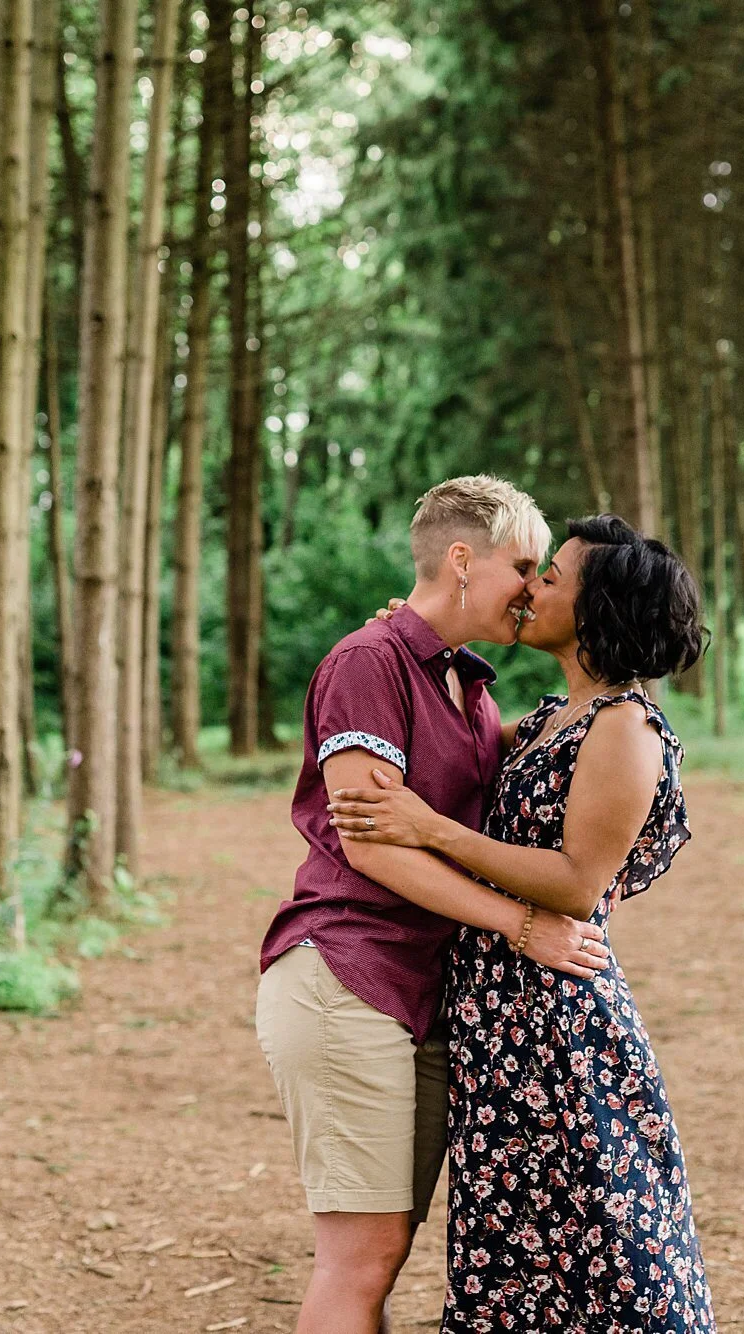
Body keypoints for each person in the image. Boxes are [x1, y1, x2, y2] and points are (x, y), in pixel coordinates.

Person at [329, 515, 716, 1332]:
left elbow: (578, 883)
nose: (533, 586)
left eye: (555, 577)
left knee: (601, 1246)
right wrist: (399, 650)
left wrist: (430, 830)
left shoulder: (624, 728)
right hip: (498, 1014)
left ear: (599, 607)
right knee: (521, 1251)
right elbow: (446, 755)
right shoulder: (549, 720)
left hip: (557, 1019)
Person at [256, 477, 615, 1334]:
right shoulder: (366, 664)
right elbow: (373, 842)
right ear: (462, 559)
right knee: (361, 1259)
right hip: (348, 976)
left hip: (418, 994)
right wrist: (522, 923)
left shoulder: (466, 682)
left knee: (384, 1250)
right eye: (522, 566)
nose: (532, 589)